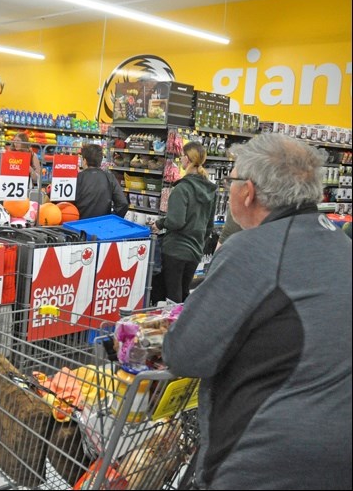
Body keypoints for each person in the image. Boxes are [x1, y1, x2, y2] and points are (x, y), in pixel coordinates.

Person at [163, 134, 352, 490]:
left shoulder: (252, 250)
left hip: (264, 459)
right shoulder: (340, 243)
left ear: (247, 191)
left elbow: (186, 354)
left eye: (231, 179)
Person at [151, 141, 216, 302]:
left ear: (188, 159)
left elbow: (176, 221)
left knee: (171, 296)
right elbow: (209, 225)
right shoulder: (210, 190)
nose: (180, 160)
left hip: (175, 250)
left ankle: (172, 326)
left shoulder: (182, 189)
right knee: (184, 293)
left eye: (182, 157)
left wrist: (159, 223)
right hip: (194, 251)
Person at [74, 143, 128, 219]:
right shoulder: (109, 177)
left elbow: (68, 203)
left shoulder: (77, 178)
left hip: (79, 226)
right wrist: (111, 219)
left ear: (84, 160)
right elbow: (123, 203)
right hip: (102, 226)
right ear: (100, 161)